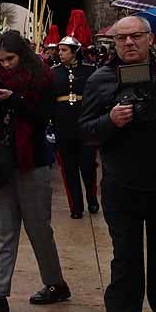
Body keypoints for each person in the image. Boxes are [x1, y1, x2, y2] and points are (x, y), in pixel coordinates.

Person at [80, 16, 156, 312]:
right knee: (126, 261)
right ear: (113, 43)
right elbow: (86, 130)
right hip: (122, 185)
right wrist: (110, 121)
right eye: (121, 38)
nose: (129, 43)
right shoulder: (101, 79)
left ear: (150, 38)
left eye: (136, 37)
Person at [0, 30, 69, 312]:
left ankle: (55, 283)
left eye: (10, 59)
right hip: (3, 162)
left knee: (39, 228)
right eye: (0, 60)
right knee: (3, 230)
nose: (5, 65)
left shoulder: (43, 77)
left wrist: (14, 98)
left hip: (33, 159)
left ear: (22, 55)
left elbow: (43, 116)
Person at [50, 36, 98, 220]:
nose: (60, 53)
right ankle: (76, 206)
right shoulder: (53, 72)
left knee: (88, 165)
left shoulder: (89, 70)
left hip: (85, 123)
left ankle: (92, 197)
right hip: (63, 125)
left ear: (74, 51)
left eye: (64, 50)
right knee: (68, 168)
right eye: (59, 50)